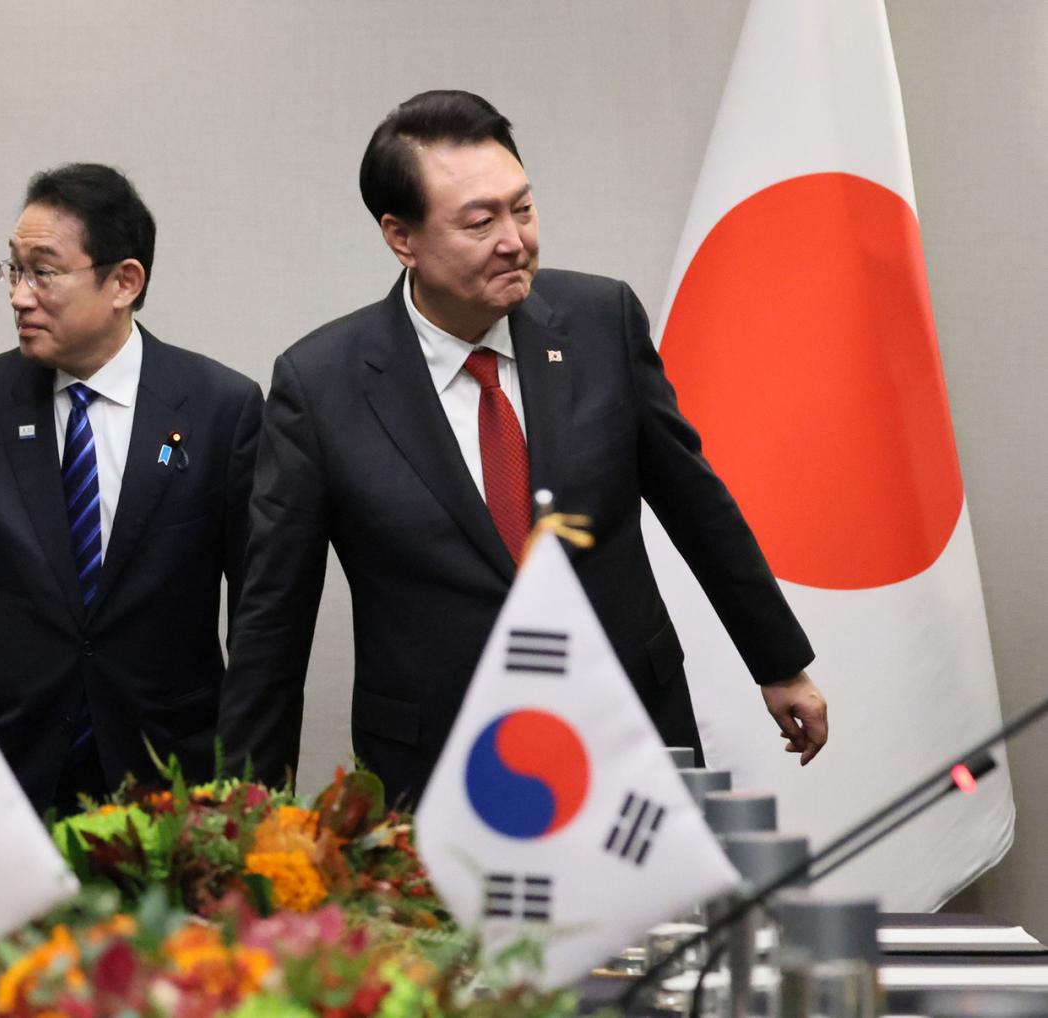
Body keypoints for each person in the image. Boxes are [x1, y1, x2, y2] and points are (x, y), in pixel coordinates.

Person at [217, 91, 828, 804]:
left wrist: (780, 662)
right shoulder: (321, 384)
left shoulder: (602, 323)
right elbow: (273, 618)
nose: (515, 240)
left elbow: (697, 503)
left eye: (524, 208)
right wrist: (244, 814)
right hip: (443, 760)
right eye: (481, 221)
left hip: (627, 725)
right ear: (401, 237)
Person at [0, 164, 263, 814]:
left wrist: (245, 790)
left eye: (43, 272)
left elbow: (256, 622)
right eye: (13, 271)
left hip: (165, 783)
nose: (20, 295)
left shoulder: (221, 409)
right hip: (4, 784)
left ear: (124, 282)